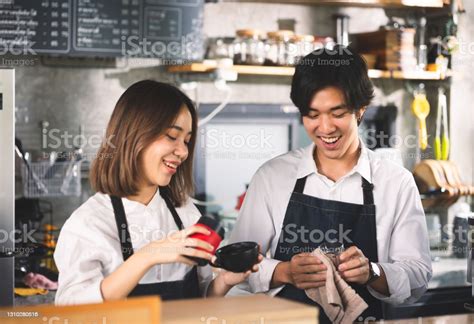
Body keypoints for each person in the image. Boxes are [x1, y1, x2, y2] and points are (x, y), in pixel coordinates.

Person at [228, 46, 432, 322]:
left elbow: (417, 277)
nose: (325, 128)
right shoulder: (272, 177)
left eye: (337, 113)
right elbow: (236, 268)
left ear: (361, 109)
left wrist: (372, 272)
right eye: (312, 115)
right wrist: (285, 271)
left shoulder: (396, 183)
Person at [54, 80, 261, 305]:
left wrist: (224, 281)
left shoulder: (184, 213)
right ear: (133, 134)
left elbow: (198, 298)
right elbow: (71, 310)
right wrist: (147, 256)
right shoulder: (89, 223)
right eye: (172, 136)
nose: (182, 151)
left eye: (187, 141)